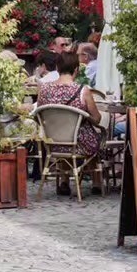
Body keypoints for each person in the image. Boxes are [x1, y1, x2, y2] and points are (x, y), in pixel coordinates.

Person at [36, 50, 102, 194]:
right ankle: (97, 183)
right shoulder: (82, 91)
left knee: (65, 133)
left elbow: (39, 112)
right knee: (92, 136)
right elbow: (97, 119)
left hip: (52, 143)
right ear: (76, 69)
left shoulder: (44, 89)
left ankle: (65, 181)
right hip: (78, 145)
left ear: (58, 68)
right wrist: (85, 117)